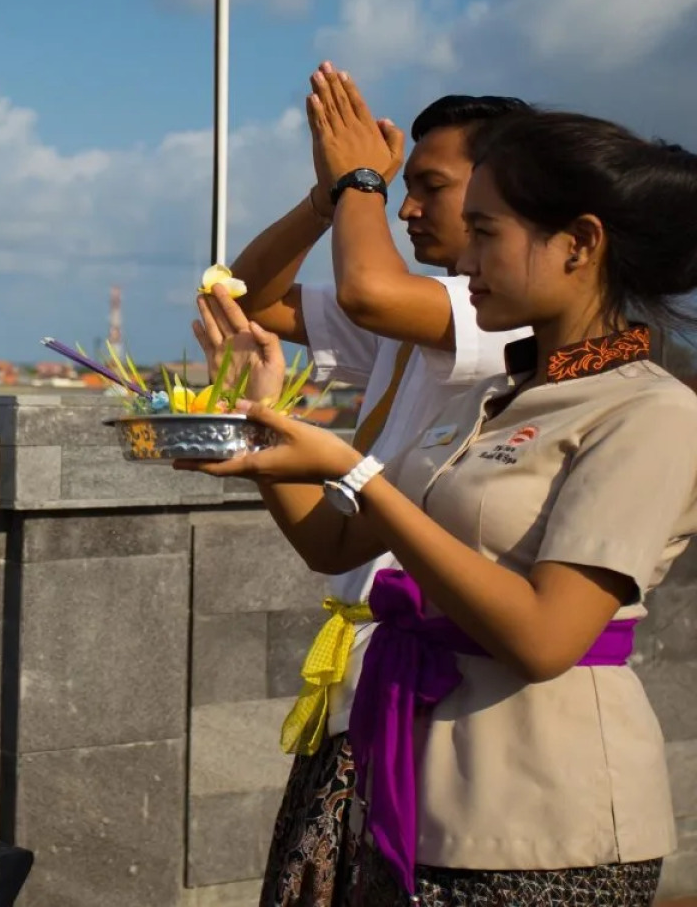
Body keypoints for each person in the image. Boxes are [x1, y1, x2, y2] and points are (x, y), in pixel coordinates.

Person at [188, 111, 697, 905]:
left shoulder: (650, 413)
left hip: (540, 820)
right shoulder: (502, 392)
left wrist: (358, 471)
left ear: (581, 243)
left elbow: (544, 636)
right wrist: (266, 440)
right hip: (413, 783)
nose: (466, 255)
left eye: (487, 232)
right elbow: (337, 542)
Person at [220, 63, 530, 905]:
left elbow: (369, 289)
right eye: (400, 186)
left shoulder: (506, 319)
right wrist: (326, 201)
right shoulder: (412, 317)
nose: (403, 206)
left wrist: (359, 177)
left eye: (430, 186)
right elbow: (247, 297)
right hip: (361, 670)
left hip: (442, 691)